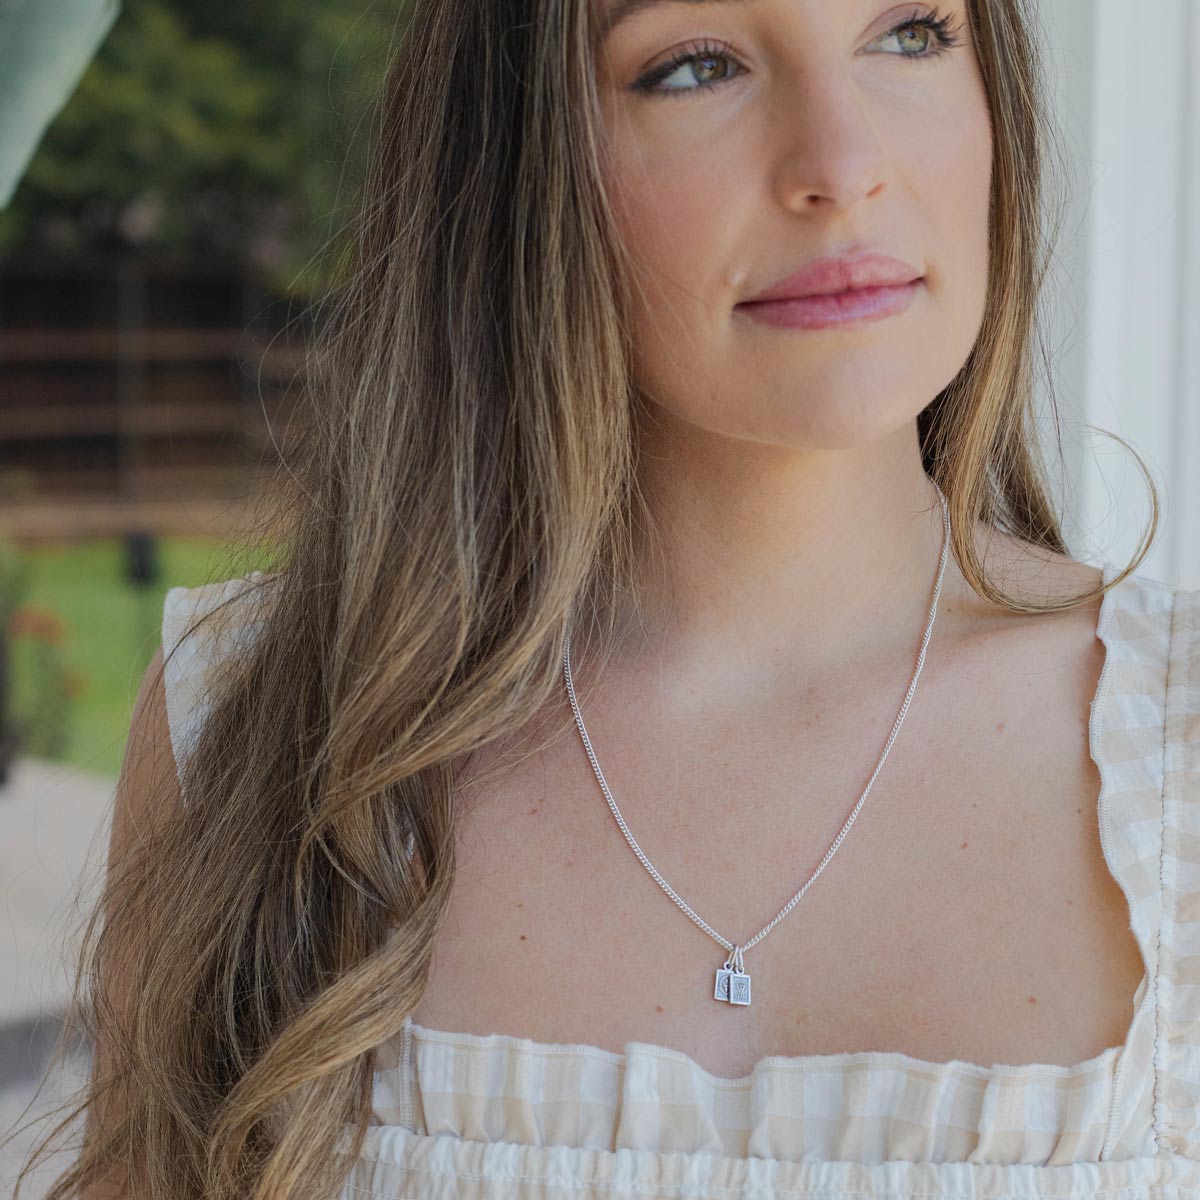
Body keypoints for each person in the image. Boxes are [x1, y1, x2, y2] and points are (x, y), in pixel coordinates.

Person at [12, 1, 1199, 1198]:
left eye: (908, 34)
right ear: (516, 163)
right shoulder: (256, 726)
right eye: (695, 67)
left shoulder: (1180, 754)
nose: (843, 166)